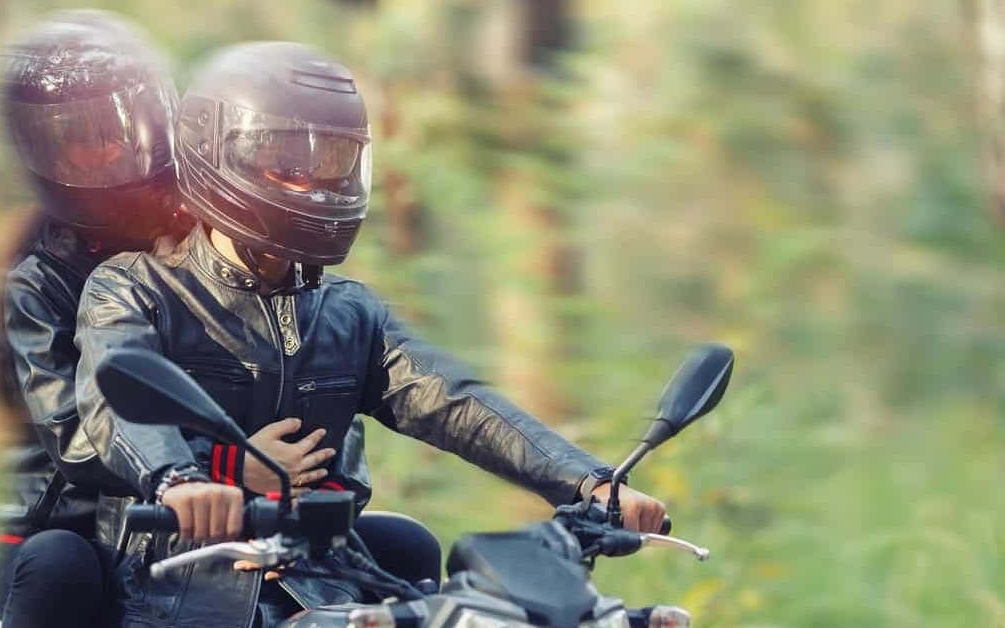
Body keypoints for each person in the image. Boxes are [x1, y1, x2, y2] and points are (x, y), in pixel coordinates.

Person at [73, 41, 667, 628]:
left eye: (329, 164)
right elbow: (115, 398)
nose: (313, 188)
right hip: (177, 593)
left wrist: (590, 482)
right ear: (215, 155)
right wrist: (181, 479)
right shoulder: (134, 289)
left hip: (329, 588)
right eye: (286, 165)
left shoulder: (349, 312)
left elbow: (455, 398)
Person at [0, 10, 192, 627]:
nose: (105, 150)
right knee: (61, 566)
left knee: (395, 546)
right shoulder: (37, 277)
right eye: (79, 136)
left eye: (118, 128)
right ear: (40, 150)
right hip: (68, 520)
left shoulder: (201, 234)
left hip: (194, 510)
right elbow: (76, 438)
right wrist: (216, 466)